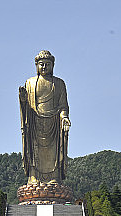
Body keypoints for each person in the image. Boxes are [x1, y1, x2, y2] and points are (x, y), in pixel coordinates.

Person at [19, 50, 70, 185]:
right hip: (35, 122)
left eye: (47, 64)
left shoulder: (59, 84)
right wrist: (23, 100)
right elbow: (26, 107)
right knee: (34, 150)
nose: (44, 67)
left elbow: (63, 106)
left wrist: (64, 117)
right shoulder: (30, 83)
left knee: (54, 152)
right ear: (36, 65)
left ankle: (55, 177)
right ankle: (34, 177)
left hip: (54, 123)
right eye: (41, 64)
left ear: (53, 66)